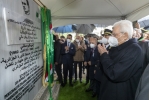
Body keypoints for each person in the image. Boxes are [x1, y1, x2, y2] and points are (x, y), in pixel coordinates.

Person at [98, 20, 143, 100]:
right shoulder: (118, 46)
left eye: (115, 34)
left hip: (120, 95)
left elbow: (115, 74)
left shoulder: (134, 50)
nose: (112, 37)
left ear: (125, 35)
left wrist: (104, 55)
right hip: (108, 92)